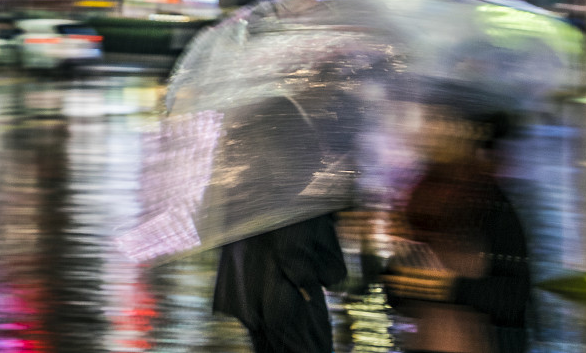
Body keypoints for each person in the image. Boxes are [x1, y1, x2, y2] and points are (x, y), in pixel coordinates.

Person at [383, 107, 532, 353]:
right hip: (427, 343)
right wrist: (406, 282)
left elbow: (513, 296)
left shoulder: (493, 206)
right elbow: (396, 290)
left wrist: (448, 287)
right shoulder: (420, 198)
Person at [211, 94, 349, 353]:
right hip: (295, 303)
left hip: (250, 302)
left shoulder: (240, 182)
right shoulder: (300, 185)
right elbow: (329, 268)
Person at [213, 214, 347, 353]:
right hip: (296, 303)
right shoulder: (308, 206)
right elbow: (333, 271)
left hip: (249, 300)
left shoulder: (245, 201)